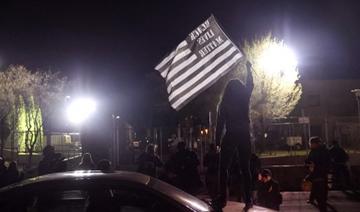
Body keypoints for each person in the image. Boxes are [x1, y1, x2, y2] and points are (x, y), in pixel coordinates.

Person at [214, 61, 254, 211]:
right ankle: (248, 198)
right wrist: (248, 69)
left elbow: (220, 124)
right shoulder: (244, 99)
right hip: (244, 135)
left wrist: (217, 141)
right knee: (245, 168)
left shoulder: (224, 104)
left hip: (231, 135)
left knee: (223, 168)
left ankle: (222, 198)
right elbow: (250, 85)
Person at [305, 136, 330, 212]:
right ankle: (313, 200)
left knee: (320, 196)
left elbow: (321, 165)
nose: (310, 145)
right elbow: (308, 160)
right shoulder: (314, 151)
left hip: (319, 175)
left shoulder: (321, 152)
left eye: (311, 143)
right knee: (317, 191)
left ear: (315, 144)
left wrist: (312, 170)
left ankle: (322, 206)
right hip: (317, 175)